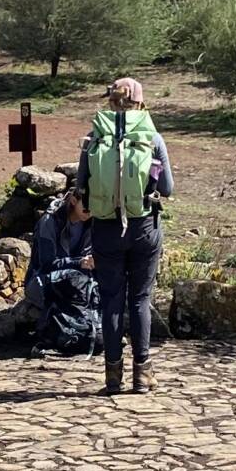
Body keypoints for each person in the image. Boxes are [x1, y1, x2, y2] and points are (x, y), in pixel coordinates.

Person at [79, 77, 175, 395]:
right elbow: (168, 189)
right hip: (144, 228)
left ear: (111, 101)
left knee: (111, 300)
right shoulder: (153, 138)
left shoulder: (93, 138)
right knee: (140, 299)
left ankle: (112, 377)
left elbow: (81, 187)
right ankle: (142, 375)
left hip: (106, 229)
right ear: (140, 102)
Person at [24, 188, 98, 357]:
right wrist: (79, 262)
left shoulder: (90, 222)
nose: (90, 213)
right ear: (73, 201)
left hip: (76, 281)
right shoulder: (49, 221)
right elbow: (47, 264)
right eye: (87, 208)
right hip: (43, 282)